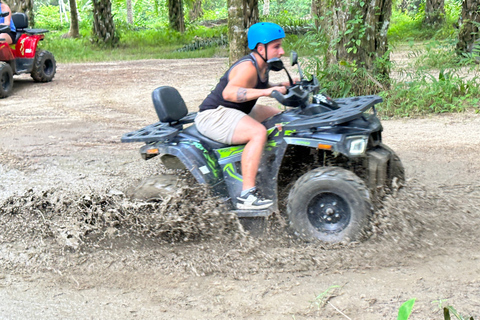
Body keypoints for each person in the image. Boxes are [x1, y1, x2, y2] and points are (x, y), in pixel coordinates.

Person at [195, 22, 289, 210]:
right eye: (276, 46)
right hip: (214, 115)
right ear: (261, 48)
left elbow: (260, 87)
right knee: (258, 132)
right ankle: (247, 195)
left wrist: (285, 84)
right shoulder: (248, 66)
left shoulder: (263, 65)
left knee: (279, 117)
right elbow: (229, 94)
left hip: (236, 111)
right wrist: (266, 93)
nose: (282, 51)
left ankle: (271, 169)